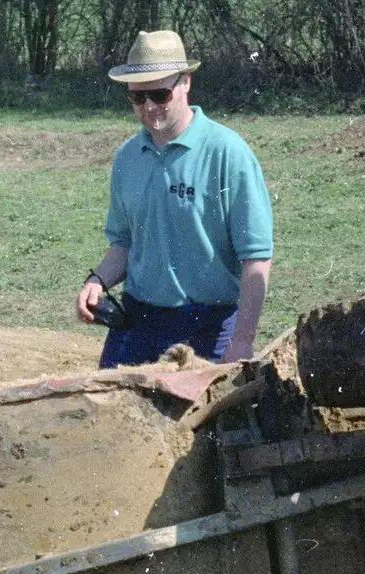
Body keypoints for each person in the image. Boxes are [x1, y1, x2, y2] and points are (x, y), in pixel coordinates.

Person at [75, 31, 273, 367]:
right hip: (138, 321)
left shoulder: (228, 153)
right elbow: (123, 244)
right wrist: (97, 281)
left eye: (160, 94)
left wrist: (242, 340)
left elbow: (257, 256)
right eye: (138, 98)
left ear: (186, 83)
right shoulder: (127, 157)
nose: (150, 107)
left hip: (208, 325)